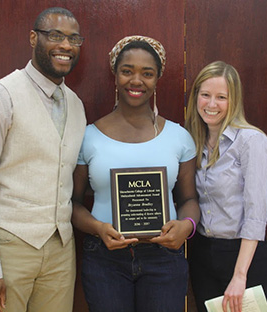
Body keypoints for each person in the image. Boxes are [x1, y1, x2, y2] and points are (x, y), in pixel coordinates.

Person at [0, 7, 86, 312]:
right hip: (9, 248)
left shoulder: (76, 104)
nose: (65, 46)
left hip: (61, 251)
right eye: (55, 36)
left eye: (74, 39)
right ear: (34, 38)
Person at [71, 35, 200, 312]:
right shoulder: (88, 137)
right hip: (105, 259)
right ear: (115, 76)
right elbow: (72, 204)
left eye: (147, 73)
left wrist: (186, 226)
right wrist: (98, 228)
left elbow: (189, 199)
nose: (136, 80)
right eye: (127, 71)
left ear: (157, 79)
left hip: (164, 259)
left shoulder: (179, 137)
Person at [185, 61, 267, 312]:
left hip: (243, 256)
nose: (211, 105)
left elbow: (256, 215)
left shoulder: (251, 141)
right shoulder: (192, 141)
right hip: (202, 254)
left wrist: (240, 275)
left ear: (234, 100)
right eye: (205, 95)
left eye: (221, 97)